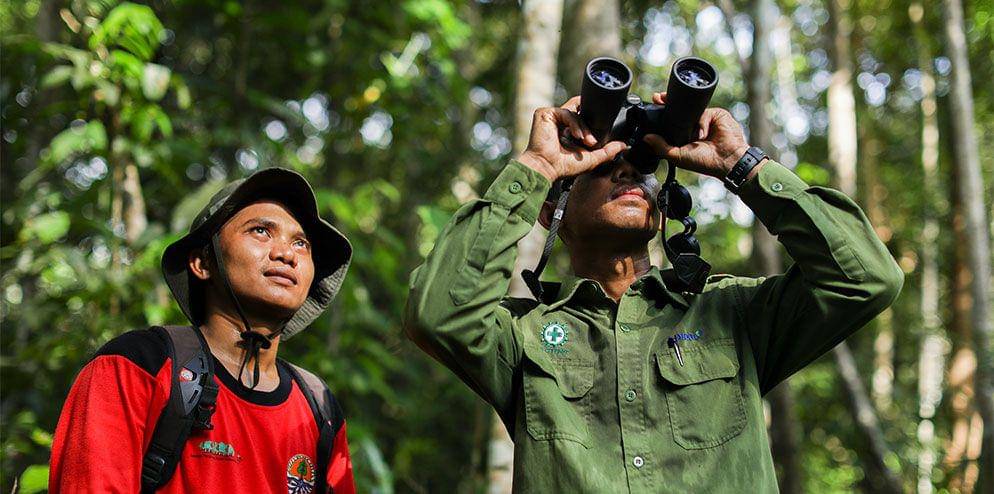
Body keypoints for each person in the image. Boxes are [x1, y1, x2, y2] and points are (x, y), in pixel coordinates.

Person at [404, 93, 903, 492]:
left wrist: (741, 162)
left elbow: (865, 278)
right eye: (599, 166)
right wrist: (536, 166)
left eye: (641, 166)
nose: (627, 171)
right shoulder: (522, 335)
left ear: (663, 208)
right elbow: (438, 313)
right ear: (551, 211)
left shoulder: (732, 313)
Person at [49, 168, 357, 494]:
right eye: (260, 231)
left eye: (301, 243)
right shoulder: (137, 366)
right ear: (202, 263)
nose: (286, 253)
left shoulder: (319, 410)